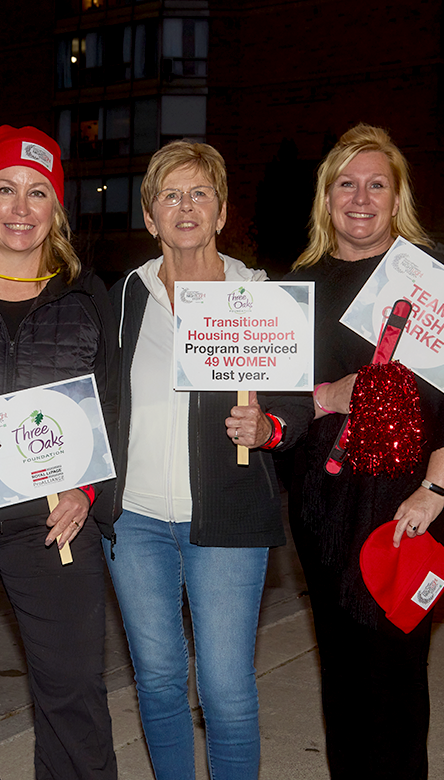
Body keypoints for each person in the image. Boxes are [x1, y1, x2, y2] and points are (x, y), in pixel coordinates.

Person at [105, 140, 313, 780]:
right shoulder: (124, 298)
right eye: (170, 196)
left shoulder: (261, 295)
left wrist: (270, 426)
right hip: (135, 523)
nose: (186, 207)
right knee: (158, 679)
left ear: (222, 212)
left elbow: (297, 404)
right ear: (150, 217)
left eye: (200, 193)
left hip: (227, 520)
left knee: (225, 689)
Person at [286, 123, 444, 780]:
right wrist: (328, 396)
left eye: (376, 185)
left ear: (398, 198)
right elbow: (278, 396)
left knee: (396, 665)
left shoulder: (434, 282)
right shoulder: (299, 288)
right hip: (325, 501)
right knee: (341, 664)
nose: (361, 198)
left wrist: (436, 491)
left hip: (409, 501)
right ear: (327, 197)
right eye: (346, 184)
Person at [0, 125, 117, 780]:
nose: (20, 207)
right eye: (4, 188)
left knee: (73, 690)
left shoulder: (87, 296)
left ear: (55, 208)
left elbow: (111, 409)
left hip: (52, 516)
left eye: (38, 192)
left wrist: (86, 491)